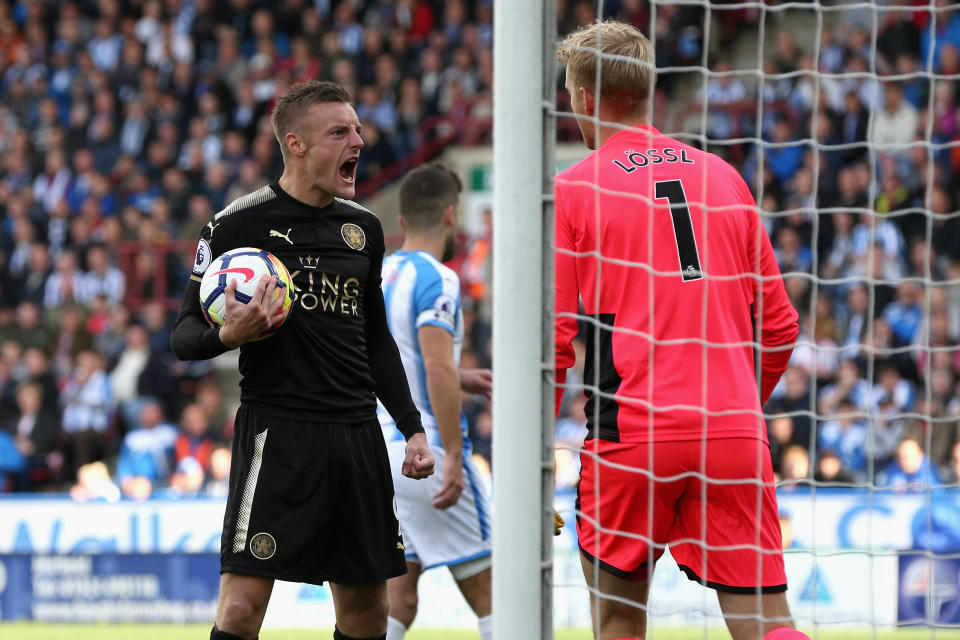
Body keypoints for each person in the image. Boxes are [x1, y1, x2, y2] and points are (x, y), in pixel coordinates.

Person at [555, 21, 806, 640]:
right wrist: (738, 404)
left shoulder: (571, 189)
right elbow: (779, 325)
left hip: (632, 432)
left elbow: (555, 339)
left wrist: (533, 459)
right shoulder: (726, 179)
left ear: (585, 98)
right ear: (648, 91)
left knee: (618, 619)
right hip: (732, 429)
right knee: (768, 622)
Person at [170, 80, 435, 640]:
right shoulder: (234, 227)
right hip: (277, 434)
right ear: (296, 144)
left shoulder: (362, 230)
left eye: (358, 129)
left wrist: (411, 428)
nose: (358, 141)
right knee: (241, 608)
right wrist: (230, 334)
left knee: (367, 613)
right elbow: (184, 336)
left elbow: (375, 338)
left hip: (357, 435)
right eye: (340, 132)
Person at [376, 164, 494, 640]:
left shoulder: (376, 274)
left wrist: (462, 376)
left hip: (377, 453)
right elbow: (435, 367)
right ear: (451, 215)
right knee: (499, 598)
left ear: (401, 221)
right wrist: (452, 462)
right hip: (425, 450)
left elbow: (390, 360)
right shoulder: (439, 279)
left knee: (398, 597)